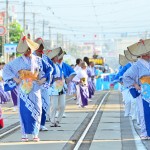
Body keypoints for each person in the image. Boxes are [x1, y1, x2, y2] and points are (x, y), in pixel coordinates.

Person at [2, 34, 51, 142]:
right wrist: (15, 79)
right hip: (23, 89)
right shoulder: (17, 61)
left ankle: (35, 134)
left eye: (28, 49)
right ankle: (24, 134)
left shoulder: (38, 60)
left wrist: (43, 79)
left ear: (31, 49)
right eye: (25, 50)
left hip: (35, 88)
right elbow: (6, 69)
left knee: (37, 110)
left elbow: (49, 69)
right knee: (23, 111)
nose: (27, 51)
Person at [123, 39, 150, 139]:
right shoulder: (137, 65)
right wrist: (135, 85)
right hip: (143, 90)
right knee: (143, 112)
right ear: (144, 54)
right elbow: (126, 76)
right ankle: (144, 132)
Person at [34, 37, 55, 131]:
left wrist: (45, 78)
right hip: (32, 85)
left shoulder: (45, 58)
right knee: (35, 105)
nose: (41, 48)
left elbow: (51, 69)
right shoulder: (31, 57)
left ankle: (42, 124)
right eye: (39, 46)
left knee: (45, 104)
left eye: (42, 46)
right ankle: (34, 124)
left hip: (44, 84)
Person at [45, 47, 66, 127]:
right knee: (54, 105)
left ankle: (58, 120)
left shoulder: (58, 65)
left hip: (60, 85)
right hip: (54, 85)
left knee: (62, 105)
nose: (58, 58)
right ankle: (53, 121)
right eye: (56, 56)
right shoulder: (50, 65)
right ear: (53, 58)